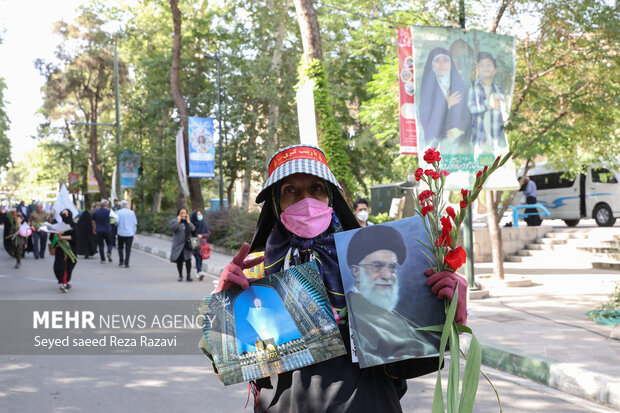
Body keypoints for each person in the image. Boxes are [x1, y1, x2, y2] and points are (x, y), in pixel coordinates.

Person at [209, 144, 468, 412]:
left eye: (316, 188)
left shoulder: (366, 263)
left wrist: (446, 315)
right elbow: (232, 364)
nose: (305, 200)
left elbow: (407, 360)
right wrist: (224, 313)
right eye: (291, 191)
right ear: (276, 203)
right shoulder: (254, 270)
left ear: (330, 197)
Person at [346, 224, 449, 368]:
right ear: (356, 272)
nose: (387, 276)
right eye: (377, 266)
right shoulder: (352, 315)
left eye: (392, 267)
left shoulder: (389, 311)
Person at [419, 47, 471, 151]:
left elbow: (466, 112)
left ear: (450, 63)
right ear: (432, 64)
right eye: (437, 60)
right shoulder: (427, 87)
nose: (442, 64)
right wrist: (446, 103)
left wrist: (458, 131)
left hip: (457, 141)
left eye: (445, 60)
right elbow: (424, 115)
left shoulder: (459, 85)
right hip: (435, 141)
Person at [467, 51, 508, 156]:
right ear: (477, 70)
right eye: (482, 65)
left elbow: (504, 113)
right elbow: (471, 109)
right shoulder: (473, 88)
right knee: (479, 169)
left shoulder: (499, 90)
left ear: (495, 70)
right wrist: (488, 104)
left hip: (496, 138)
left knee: (497, 167)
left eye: (489, 64)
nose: (486, 67)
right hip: (479, 139)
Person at [52, 209, 77, 292]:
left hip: (70, 249)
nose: (64, 216)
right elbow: (52, 238)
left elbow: (75, 237)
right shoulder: (59, 225)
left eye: (66, 214)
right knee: (61, 266)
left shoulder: (73, 225)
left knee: (69, 265)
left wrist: (63, 237)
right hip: (60, 249)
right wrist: (56, 235)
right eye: (63, 214)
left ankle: (66, 281)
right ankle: (64, 283)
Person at [170, 207, 195, 282]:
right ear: (178, 213)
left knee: (188, 260)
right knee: (179, 260)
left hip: (187, 244)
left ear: (187, 214)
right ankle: (180, 275)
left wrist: (188, 222)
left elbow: (193, 229)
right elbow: (173, 228)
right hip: (178, 244)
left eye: (184, 213)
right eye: (181, 213)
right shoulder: (174, 221)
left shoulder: (188, 222)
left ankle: (188, 276)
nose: (183, 214)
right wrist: (178, 221)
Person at [115, 200, 138, 268]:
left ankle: (121, 261)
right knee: (128, 248)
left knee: (120, 247)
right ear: (127, 205)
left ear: (121, 206)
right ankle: (126, 263)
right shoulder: (132, 212)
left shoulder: (118, 212)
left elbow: (116, 222)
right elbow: (135, 223)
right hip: (130, 233)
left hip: (121, 232)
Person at [190, 209, 210, 281]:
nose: (199, 216)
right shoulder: (192, 223)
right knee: (197, 256)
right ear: (194, 216)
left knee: (200, 257)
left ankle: (199, 271)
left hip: (202, 242)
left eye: (200, 214)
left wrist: (202, 235)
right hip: (194, 241)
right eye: (198, 215)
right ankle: (199, 271)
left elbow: (208, 233)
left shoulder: (204, 224)